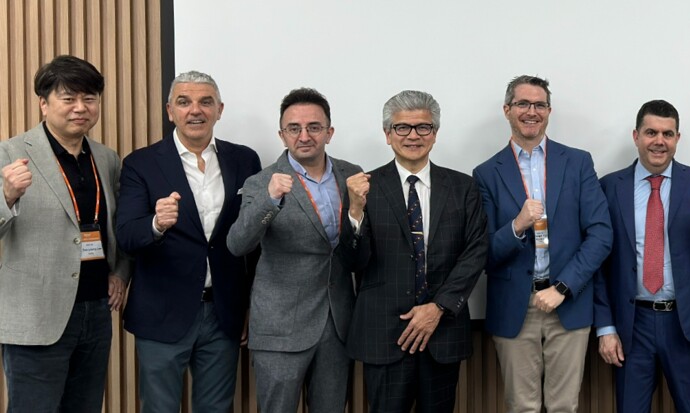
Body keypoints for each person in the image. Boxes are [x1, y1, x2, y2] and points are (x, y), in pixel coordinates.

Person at [114, 70, 262, 412]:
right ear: (170, 111)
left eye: (205, 102)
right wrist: (155, 223)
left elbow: (253, 241)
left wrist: (250, 305)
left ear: (219, 110)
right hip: (162, 311)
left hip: (223, 312)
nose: (195, 110)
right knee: (160, 407)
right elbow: (126, 235)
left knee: (216, 407)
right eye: (184, 102)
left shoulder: (245, 159)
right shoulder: (141, 163)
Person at [472, 75, 611, 413]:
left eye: (539, 105)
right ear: (507, 110)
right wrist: (517, 226)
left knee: (565, 406)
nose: (531, 111)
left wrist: (563, 287)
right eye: (523, 104)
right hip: (514, 307)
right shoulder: (486, 173)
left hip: (568, 301)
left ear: (549, 111)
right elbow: (484, 254)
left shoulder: (578, 162)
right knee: (522, 407)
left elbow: (601, 234)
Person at [0, 54, 129, 413]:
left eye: (89, 99)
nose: (80, 108)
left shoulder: (106, 158)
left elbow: (116, 226)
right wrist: (7, 195)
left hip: (95, 310)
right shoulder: (10, 153)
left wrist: (119, 273)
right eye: (68, 98)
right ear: (43, 103)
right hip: (36, 313)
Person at [346, 90, 488, 412]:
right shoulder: (364, 187)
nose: (413, 135)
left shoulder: (462, 187)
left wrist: (438, 308)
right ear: (387, 134)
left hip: (443, 332)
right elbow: (353, 261)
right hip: (384, 335)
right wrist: (355, 211)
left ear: (434, 134)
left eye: (423, 127)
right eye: (402, 128)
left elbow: (475, 252)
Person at [227, 87, 366, 412]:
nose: (304, 136)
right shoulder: (262, 182)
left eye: (314, 127)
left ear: (329, 133)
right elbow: (237, 244)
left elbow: (355, 246)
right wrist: (271, 199)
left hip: (337, 322)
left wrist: (357, 213)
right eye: (294, 128)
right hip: (280, 327)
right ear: (282, 134)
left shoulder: (352, 174)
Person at [593, 99, 690, 412]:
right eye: (651, 132)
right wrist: (605, 327)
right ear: (636, 136)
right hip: (632, 325)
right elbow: (599, 265)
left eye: (668, 134)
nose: (659, 141)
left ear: (677, 139)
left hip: (684, 322)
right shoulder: (609, 187)